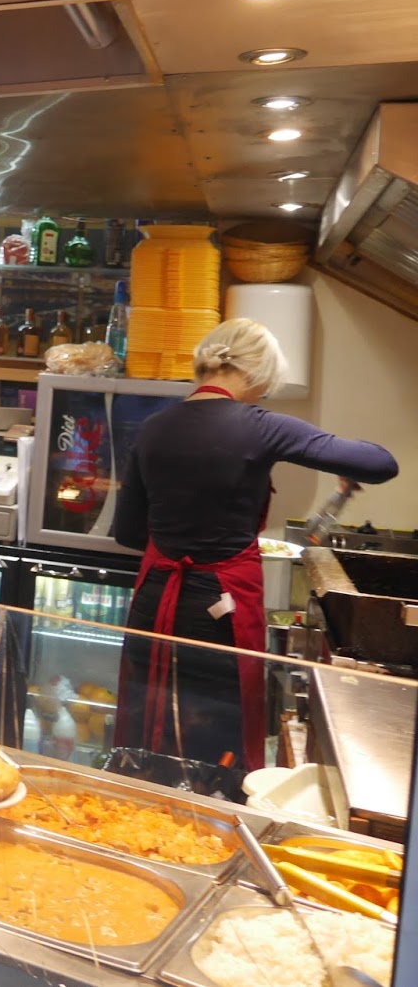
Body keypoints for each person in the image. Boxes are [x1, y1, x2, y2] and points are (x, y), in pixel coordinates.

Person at [111, 318, 397, 772]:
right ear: (258, 373)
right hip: (219, 612)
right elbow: (381, 464)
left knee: (149, 728)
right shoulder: (260, 425)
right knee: (213, 746)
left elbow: (128, 533)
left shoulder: (153, 427)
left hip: (154, 602)